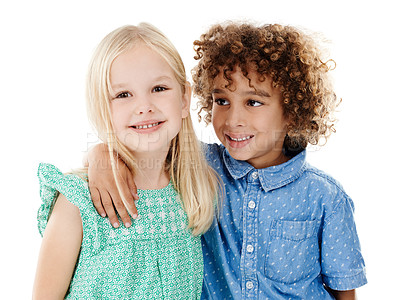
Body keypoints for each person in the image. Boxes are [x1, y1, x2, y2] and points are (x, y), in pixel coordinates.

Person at [85, 22, 367, 299]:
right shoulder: (199, 165)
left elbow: (344, 290)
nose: (233, 120)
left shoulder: (326, 197)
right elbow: (146, 144)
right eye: (222, 101)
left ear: (292, 110)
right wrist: (102, 154)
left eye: (253, 102)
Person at [33, 23, 220, 299]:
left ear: (184, 99)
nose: (143, 106)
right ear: (102, 108)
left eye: (159, 88)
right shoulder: (79, 201)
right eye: (123, 95)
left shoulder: (194, 190)